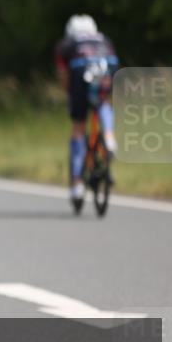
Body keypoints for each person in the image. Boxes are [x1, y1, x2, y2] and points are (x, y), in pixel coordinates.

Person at [54, 14, 118, 206]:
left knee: (79, 127)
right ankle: (108, 135)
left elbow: (64, 75)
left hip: (81, 71)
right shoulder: (104, 39)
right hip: (108, 65)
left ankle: (77, 184)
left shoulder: (67, 44)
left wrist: (71, 96)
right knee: (103, 102)